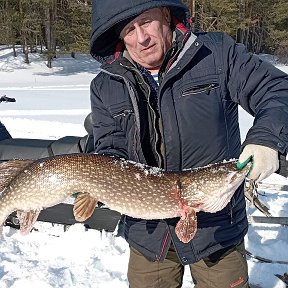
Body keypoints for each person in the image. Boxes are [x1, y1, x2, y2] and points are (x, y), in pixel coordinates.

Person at [89, 0, 288, 287]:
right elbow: (111, 147)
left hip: (217, 229)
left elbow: (277, 89)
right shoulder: (105, 85)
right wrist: (99, 180)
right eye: (129, 30)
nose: (141, 38)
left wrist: (266, 139)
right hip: (148, 236)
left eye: (146, 22)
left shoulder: (216, 54)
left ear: (166, 16)